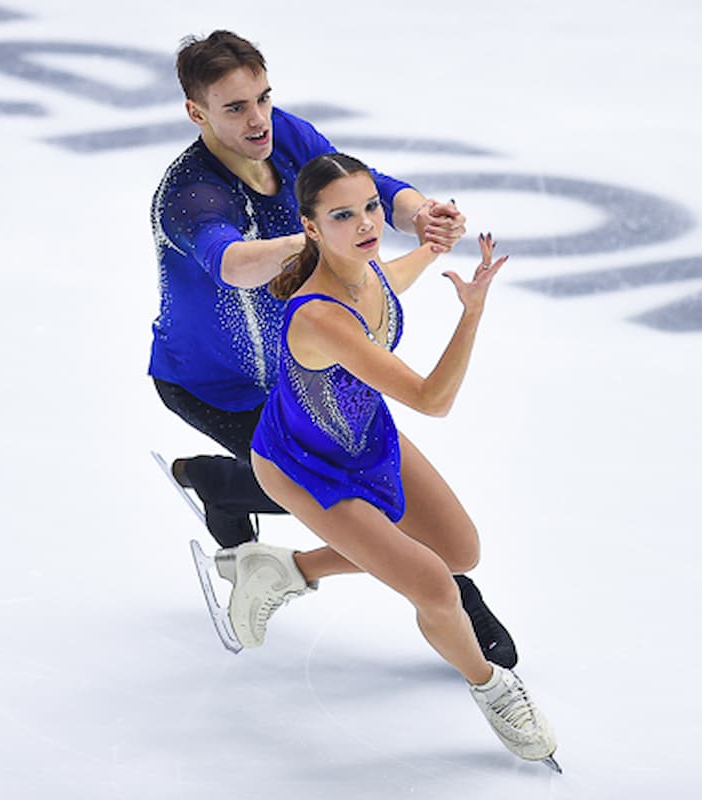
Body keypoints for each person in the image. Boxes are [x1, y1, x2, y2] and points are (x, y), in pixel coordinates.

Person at [149, 31, 518, 667]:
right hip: (219, 384)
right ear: (197, 113)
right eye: (234, 108)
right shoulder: (189, 194)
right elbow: (234, 265)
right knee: (344, 497)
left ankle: (227, 492)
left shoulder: (282, 136)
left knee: (352, 490)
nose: (257, 118)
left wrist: (417, 215)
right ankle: (451, 592)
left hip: (304, 372)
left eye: (263, 98)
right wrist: (318, 244)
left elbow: (360, 184)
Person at [218, 152, 558, 768]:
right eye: (344, 214)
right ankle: (491, 687)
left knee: (459, 552)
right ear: (312, 228)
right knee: (433, 583)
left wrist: (431, 247)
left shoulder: (365, 272)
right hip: (302, 462)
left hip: (365, 439)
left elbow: (391, 282)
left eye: (372, 206)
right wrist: (472, 313)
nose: (368, 223)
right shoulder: (321, 314)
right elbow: (432, 399)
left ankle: (286, 568)